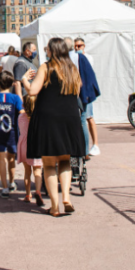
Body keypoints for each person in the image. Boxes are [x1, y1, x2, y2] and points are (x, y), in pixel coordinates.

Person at [26, 37, 86, 217]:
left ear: (52, 51)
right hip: (69, 117)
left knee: (49, 164)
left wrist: (23, 81)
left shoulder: (47, 66)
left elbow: (33, 91)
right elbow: (78, 89)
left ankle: (54, 206)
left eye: (47, 49)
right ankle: (66, 196)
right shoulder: (72, 69)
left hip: (48, 118)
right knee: (65, 161)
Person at [0, 70, 23, 197]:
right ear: (11, 84)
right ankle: (11, 182)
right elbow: (21, 111)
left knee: (1, 159)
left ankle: (4, 187)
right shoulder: (15, 98)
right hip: (12, 132)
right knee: (11, 158)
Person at [74, 37, 102, 156]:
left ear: (84, 46)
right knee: (81, 119)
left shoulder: (88, 58)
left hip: (86, 92)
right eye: (75, 46)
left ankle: (95, 144)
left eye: (79, 45)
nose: (77, 48)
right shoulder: (74, 57)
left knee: (89, 117)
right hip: (78, 91)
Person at [17, 94, 44, 206]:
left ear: (23, 104)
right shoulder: (40, 117)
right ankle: (38, 191)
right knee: (37, 171)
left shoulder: (20, 117)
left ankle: (28, 194)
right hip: (36, 144)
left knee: (27, 172)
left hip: (24, 145)